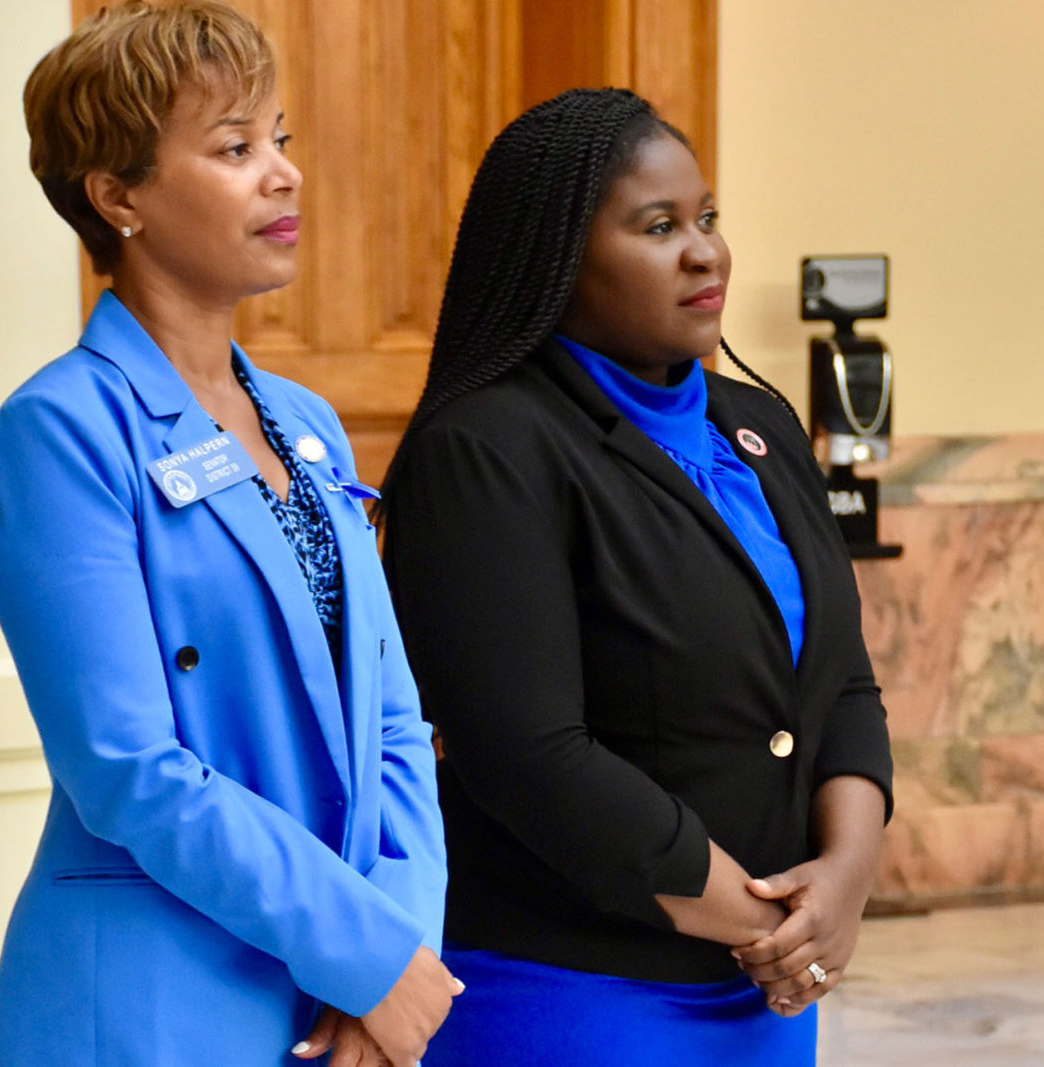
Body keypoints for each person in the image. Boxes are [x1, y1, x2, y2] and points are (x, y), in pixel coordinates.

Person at [0, 4, 456, 1064]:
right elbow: (129, 767)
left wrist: (399, 952)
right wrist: (362, 953)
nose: (283, 174)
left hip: (342, 1000)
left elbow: (395, 725)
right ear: (117, 194)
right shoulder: (58, 433)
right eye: (234, 147)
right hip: (154, 1003)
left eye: (279, 138)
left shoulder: (310, 423)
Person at [379, 88, 894, 1065]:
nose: (704, 251)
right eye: (658, 227)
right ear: (557, 259)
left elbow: (842, 682)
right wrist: (765, 918)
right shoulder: (487, 447)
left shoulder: (761, 423)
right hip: (568, 990)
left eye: (706, 218)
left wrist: (843, 881)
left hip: (764, 992)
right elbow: (527, 753)